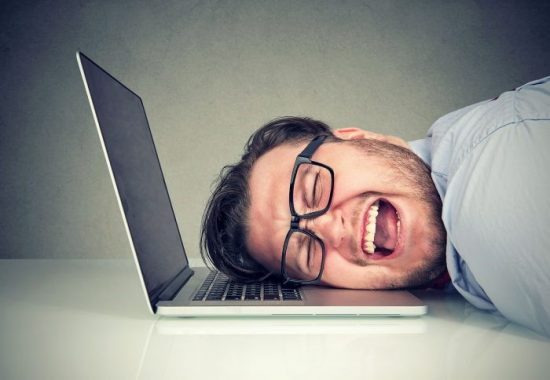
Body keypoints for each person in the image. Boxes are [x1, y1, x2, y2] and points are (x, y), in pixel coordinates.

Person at [201, 76, 550, 335]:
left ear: (359, 138)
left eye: (313, 190)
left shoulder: (489, 194)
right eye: (306, 253)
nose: (326, 228)